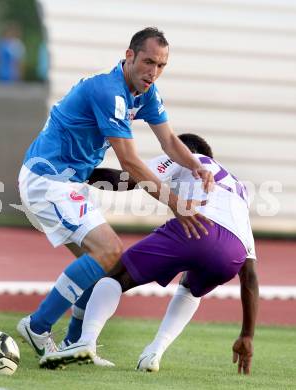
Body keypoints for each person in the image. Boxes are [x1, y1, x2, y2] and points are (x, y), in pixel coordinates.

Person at [16, 28, 214, 367]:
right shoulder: (109, 92)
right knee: (109, 250)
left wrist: (197, 166)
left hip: (67, 184)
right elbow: (130, 162)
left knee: (107, 265)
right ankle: (37, 326)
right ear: (129, 56)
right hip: (47, 180)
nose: (154, 72)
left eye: (162, 65)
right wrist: (175, 204)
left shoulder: (145, 93)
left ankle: (75, 344)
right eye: (148, 61)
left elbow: (169, 142)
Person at [50, 134, 259, 375]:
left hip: (197, 224)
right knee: (190, 287)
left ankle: (85, 342)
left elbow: (126, 180)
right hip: (234, 251)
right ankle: (154, 353)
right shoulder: (239, 190)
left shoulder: (186, 157)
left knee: (115, 276)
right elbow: (250, 276)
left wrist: (78, 171)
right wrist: (247, 334)